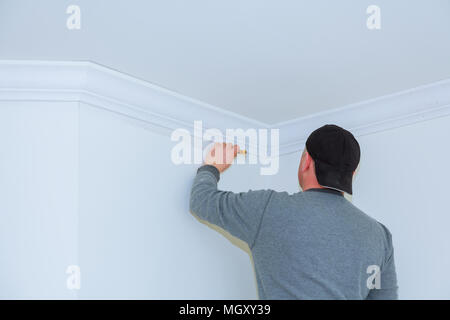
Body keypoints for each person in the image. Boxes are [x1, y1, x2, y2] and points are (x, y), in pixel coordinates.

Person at [189, 124, 398, 299]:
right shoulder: (379, 236)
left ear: (307, 160)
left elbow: (201, 200)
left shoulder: (268, 209)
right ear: (352, 173)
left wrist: (213, 167)